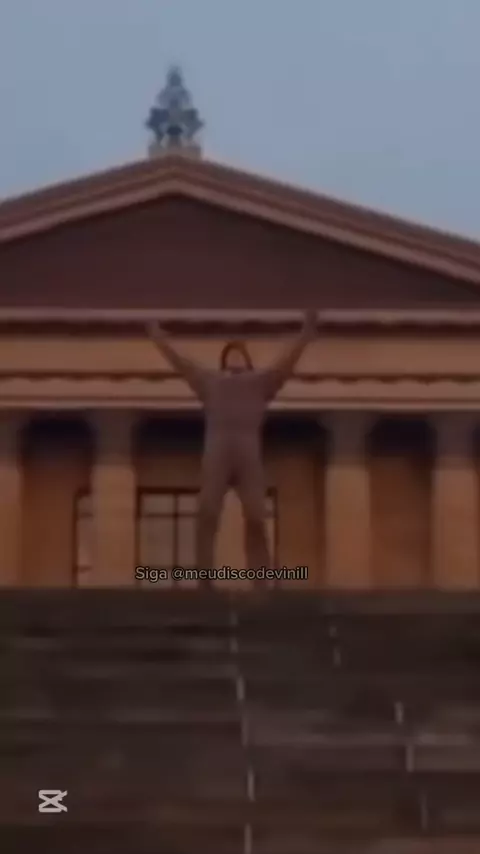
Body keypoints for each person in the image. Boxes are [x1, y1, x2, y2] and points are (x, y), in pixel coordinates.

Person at [146, 310, 317, 583]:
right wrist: (158, 338)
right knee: (207, 512)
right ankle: (204, 579)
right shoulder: (210, 382)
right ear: (223, 360)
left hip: (248, 456)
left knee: (256, 517)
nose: (235, 357)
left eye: (240, 354)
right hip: (218, 454)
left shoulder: (261, 383)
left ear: (248, 362)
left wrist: (305, 334)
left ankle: (260, 580)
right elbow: (181, 363)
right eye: (231, 354)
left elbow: (287, 362)